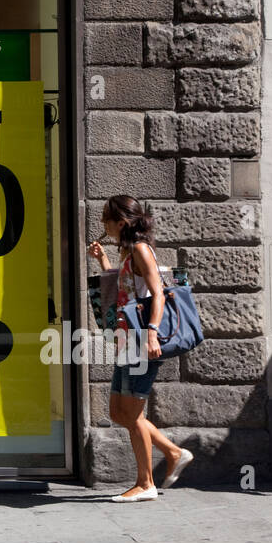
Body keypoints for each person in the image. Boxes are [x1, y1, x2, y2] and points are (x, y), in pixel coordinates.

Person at [89, 195, 194, 502]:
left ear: (120, 222)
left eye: (106, 219)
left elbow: (158, 294)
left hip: (140, 341)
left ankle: (145, 483)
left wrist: (151, 334)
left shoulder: (140, 249)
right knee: (118, 412)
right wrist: (103, 261)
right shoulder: (127, 251)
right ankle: (173, 452)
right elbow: (125, 290)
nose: (103, 225)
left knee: (132, 414)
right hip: (127, 340)